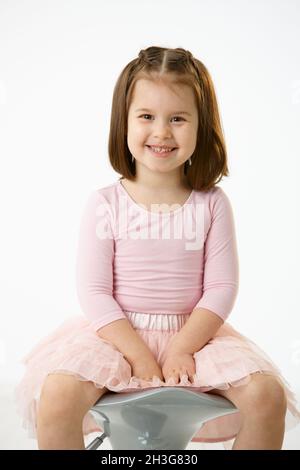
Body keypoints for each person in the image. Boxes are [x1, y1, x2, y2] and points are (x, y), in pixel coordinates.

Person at [14, 46, 300, 450]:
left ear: (202, 127)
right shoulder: (105, 203)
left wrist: (183, 347)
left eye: (178, 119)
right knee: (58, 394)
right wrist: (139, 356)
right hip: (115, 335)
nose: (162, 132)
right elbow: (95, 292)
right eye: (147, 116)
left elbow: (221, 288)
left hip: (195, 335)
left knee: (266, 395)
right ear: (124, 122)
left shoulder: (211, 203)